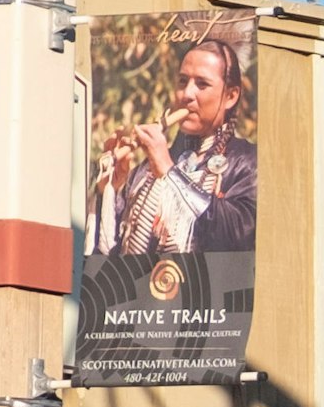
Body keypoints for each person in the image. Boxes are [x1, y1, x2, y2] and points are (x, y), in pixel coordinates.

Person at [93, 32, 258, 258]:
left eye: (202, 84)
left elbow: (237, 234)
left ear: (230, 96)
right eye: (183, 81)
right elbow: (110, 260)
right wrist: (111, 190)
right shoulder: (145, 170)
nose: (187, 94)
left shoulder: (248, 163)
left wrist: (168, 172)